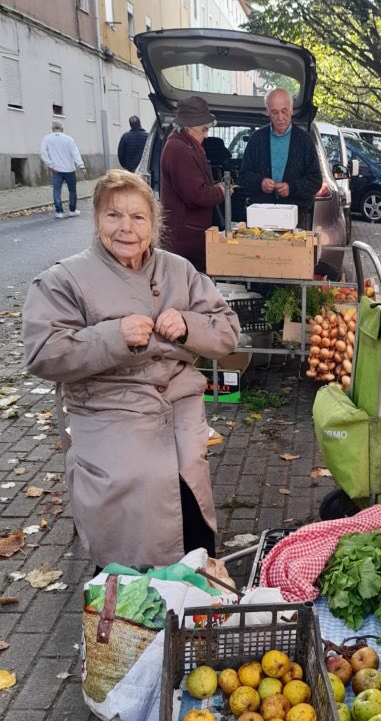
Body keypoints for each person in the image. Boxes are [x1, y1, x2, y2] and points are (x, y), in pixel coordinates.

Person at [22, 169, 240, 570]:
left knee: (188, 478)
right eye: (113, 216)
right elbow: (42, 353)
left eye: (138, 217)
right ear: (96, 220)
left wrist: (189, 326)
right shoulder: (64, 279)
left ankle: (195, 581)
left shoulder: (178, 270)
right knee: (133, 477)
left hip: (177, 400)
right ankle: (130, 589)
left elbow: (227, 332)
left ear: (154, 224)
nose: (126, 228)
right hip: (106, 404)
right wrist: (111, 337)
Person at [160, 96, 225, 272]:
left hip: (187, 238)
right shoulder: (179, 149)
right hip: (185, 241)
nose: (206, 135)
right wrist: (220, 190)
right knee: (186, 289)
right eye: (203, 130)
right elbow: (196, 196)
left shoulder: (183, 144)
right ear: (188, 127)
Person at [239, 87, 322, 226]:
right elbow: (243, 177)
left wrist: (292, 188)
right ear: (267, 111)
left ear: (291, 109)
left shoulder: (304, 140)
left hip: (295, 217)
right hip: (261, 217)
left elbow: (315, 180)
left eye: (284, 111)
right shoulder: (257, 139)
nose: (280, 118)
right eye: (275, 112)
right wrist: (260, 182)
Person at [40, 120, 86, 219]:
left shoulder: (47, 139)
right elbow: (75, 153)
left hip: (56, 170)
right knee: (72, 190)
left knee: (57, 190)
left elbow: (44, 153)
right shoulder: (69, 139)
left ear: (52, 129)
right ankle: (72, 210)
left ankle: (59, 211)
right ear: (62, 129)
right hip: (69, 169)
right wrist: (81, 165)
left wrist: (51, 165)